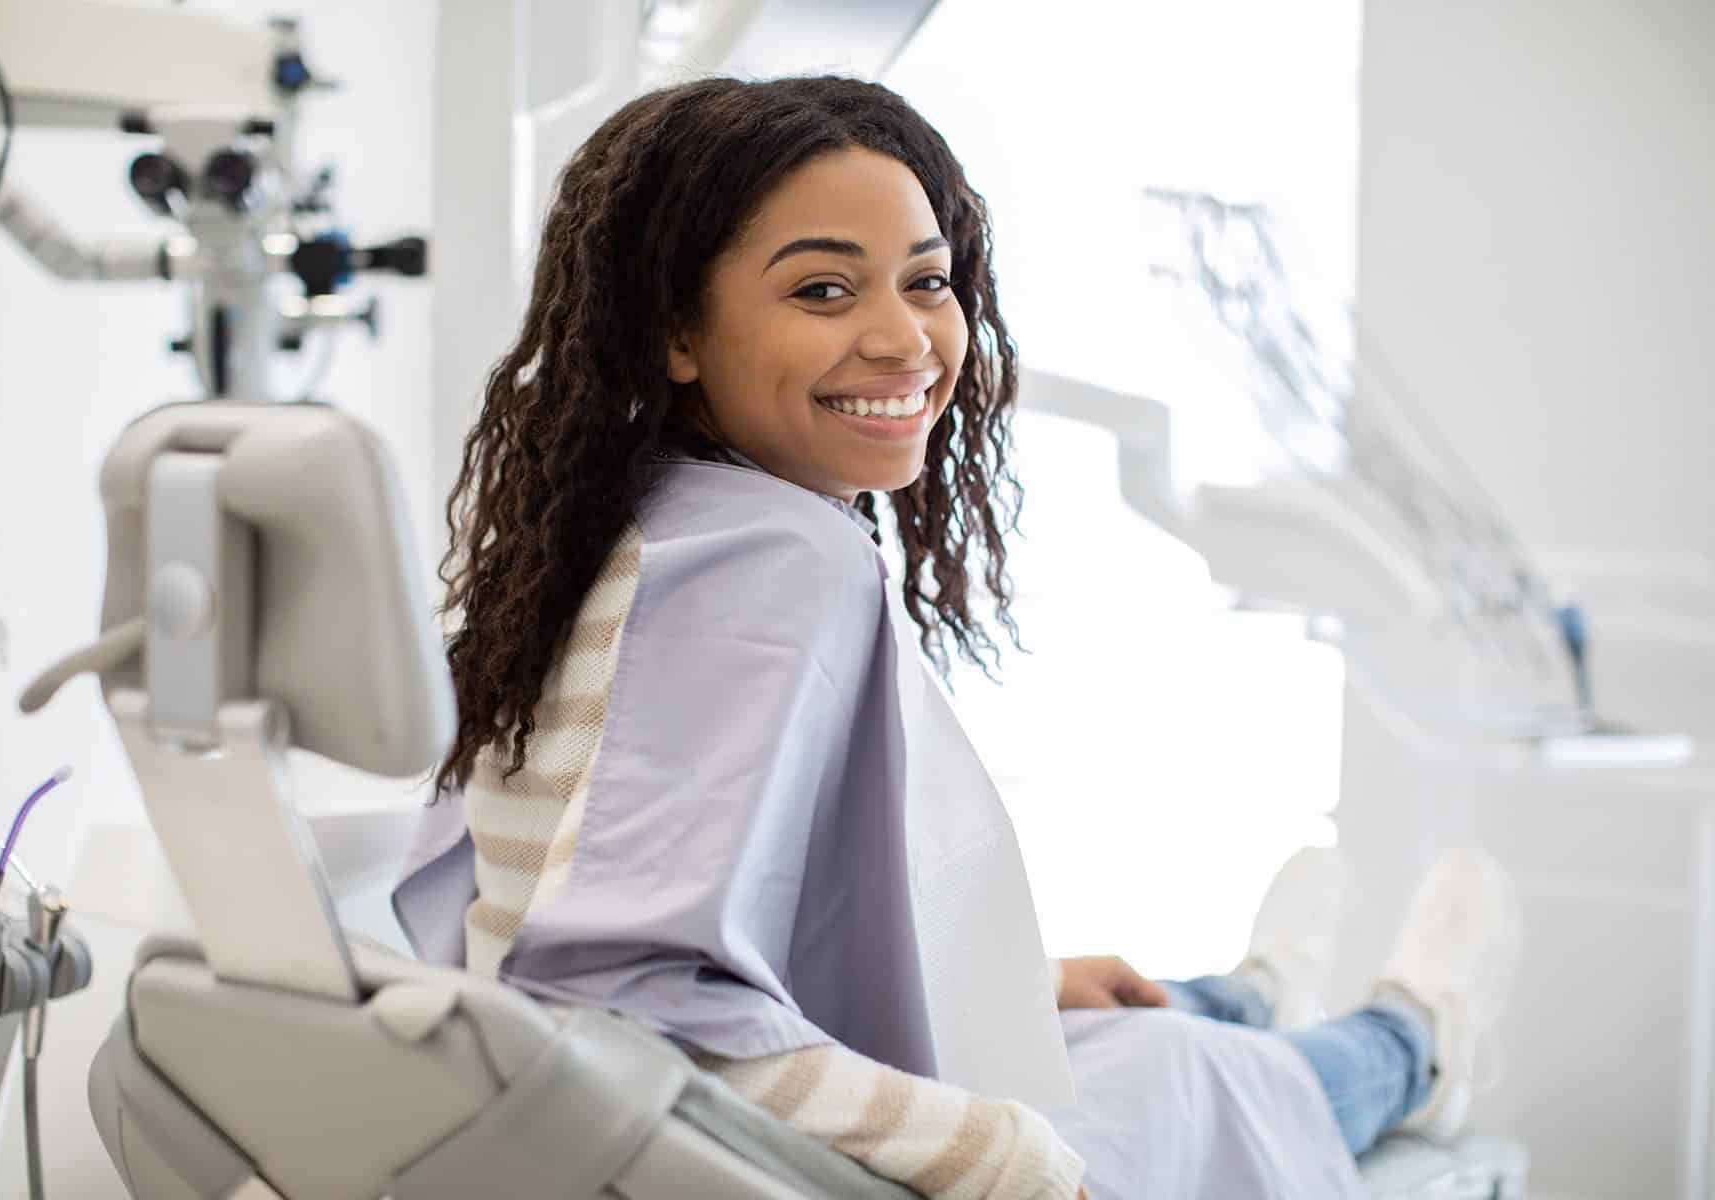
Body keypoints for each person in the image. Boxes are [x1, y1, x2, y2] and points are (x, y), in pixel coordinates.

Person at [392, 75, 1523, 1199]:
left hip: (603, 1118)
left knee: (1106, 1023)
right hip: (721, 1146)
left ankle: (1256, 991)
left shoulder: (611, 530)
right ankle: (1416, 1045)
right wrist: (1014, 1169)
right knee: (1198, 1076)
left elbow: (581, 900)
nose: (907, 338)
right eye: (825, 289)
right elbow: (636, 1000)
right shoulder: (781, 562)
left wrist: (1010, 986)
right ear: (677, 330)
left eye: (928, 281)